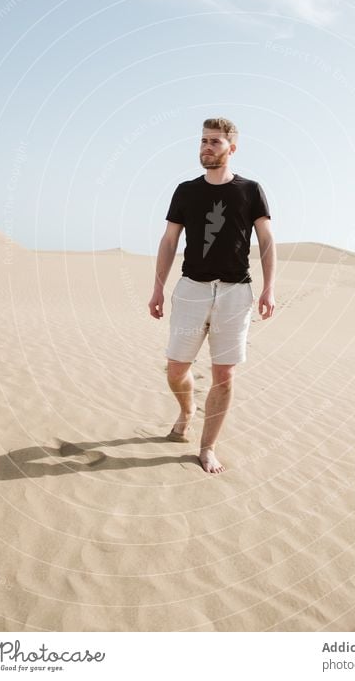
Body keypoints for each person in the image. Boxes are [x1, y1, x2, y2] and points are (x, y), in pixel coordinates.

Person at [148, 118, 276, 474]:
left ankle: (207, 447)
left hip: (236, 291)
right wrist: (158, 286)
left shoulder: (250, 190)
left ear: (231, 148)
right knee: (176, 369)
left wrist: (269, 287)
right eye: (203, 140)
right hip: (191, 289)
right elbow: (170, 240)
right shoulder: (185, 191)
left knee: (224, 375)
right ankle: (187, 410)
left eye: (215, 142)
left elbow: (266, 240)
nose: (206, 147)